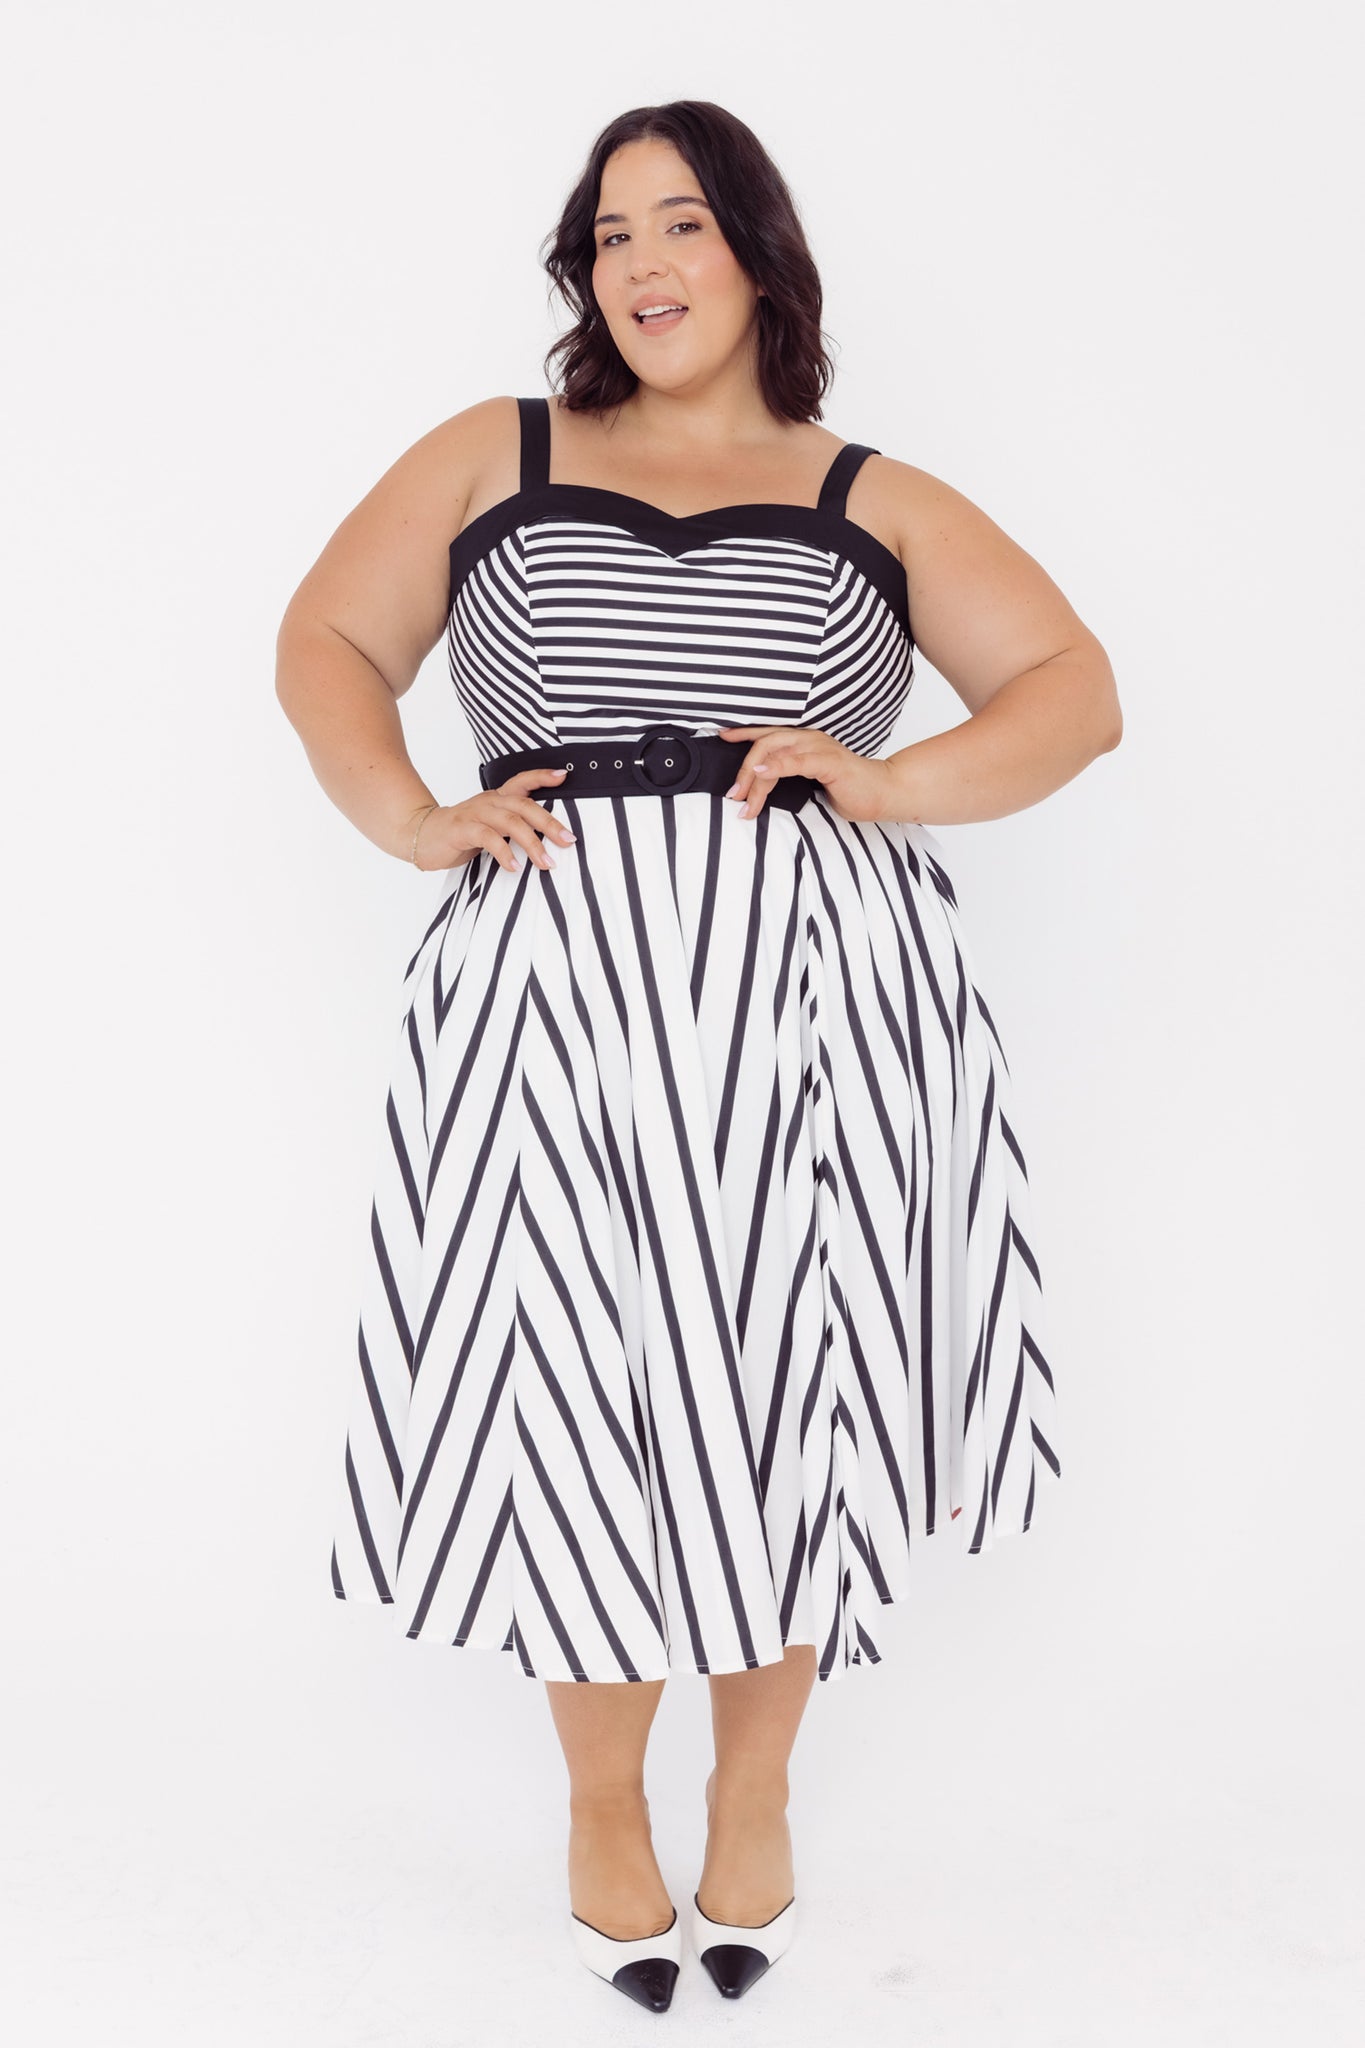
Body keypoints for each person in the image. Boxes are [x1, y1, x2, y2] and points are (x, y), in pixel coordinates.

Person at [275, 99, 1121, 2013]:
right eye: (608, 234)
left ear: (756, 252)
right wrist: (409, 816)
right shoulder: (491, 453)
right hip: (551, 986)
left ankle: (754, 1786)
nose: (642, 263)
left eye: (680, 223)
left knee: (782, 1383)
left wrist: (888, 781)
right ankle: (599, 1804)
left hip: (811, 1004)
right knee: (567, 1387)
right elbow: (326, 638)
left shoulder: (867, 494)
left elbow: (1074, 694)